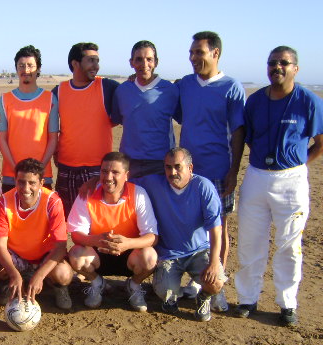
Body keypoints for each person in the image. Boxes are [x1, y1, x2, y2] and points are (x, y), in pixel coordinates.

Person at [235, 46, 323, 326]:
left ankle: (287, 303)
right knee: (250, 241)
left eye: (284, 63)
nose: (277, 67)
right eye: (272, 63)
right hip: (257, 175)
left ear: (295, 68)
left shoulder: (308, 101)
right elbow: (248, 136)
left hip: (292, 180)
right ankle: (248, 298)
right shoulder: (256, 101)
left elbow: (319, 142)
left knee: (289, 244)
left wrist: (298, 164)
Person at [174, 31, 245, 311]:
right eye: (191, 53)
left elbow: (238, 131)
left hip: (218, 169)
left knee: (219, 227)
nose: (193, 58)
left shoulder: (231, 87)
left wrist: (233, 171)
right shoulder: (185, 85)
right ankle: (195, 280)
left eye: (199, 53)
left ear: (215, 54)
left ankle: (217, 285)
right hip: (187, 171)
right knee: (190, 225)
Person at [137, 148, 226, 322]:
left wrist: (214, 262)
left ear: (190, 167)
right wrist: (94, 181)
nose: (172, 172)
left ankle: (204, 297)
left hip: (199, 251)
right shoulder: (153, 183)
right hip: (169, 254)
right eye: (168, 167)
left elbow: (216, 229)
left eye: (178, 167)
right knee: (165, 291)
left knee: (215, 283)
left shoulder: (203, 187)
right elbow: (123, 181)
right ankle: (175, 292)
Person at [67, 153, 158, 311]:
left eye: (115, 172)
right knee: (75, 254)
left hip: (129, 255)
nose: (108, 177)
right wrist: (97, 240)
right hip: (98, 254)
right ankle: (97, 283)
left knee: (150, 256)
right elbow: (75, 234)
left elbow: (152, 237)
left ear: (126, 175)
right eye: (104, 171)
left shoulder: (138, 194)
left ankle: (134, 286)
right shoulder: (87, 194)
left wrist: (127, 243)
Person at [0, 158, 73, 309]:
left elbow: (60, 247)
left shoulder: (52, 202)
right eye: (21, 182)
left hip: (44, 256)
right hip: (17, 256)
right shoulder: (4, 202)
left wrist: (40, 275)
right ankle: (13, 282)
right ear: (15, 181)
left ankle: (58, 288)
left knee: (64, 274)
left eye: (32, 183)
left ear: (41, 183)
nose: (26, 188)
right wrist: (13, 273)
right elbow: (0, 245)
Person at [53, 42, 119, 216]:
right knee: (67, 220)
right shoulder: (58, 92)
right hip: (66, 168)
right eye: (91, 61)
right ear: (75, 63)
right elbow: (49, 128)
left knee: (96, 221)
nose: (96, 66)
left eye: (97, 61)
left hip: (97, 169)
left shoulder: (108, 87)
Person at [111, 41, 178, 178]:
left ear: (156, 62)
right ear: (131, 63)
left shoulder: (171, 90)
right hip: (129, 164)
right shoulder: (122, 90)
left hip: (160, 164)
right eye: (139, 59)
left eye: (149, 59)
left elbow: (183, 118)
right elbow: (119, 119)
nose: (144, 64)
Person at [0, 46, 58, 192]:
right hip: (12, 176)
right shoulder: (4, 100)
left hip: (42, 176)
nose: (26, 70)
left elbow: (53, 139)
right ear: (16, 69)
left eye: (30, 65)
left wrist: (39, 170)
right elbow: (2, 139)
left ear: (38, 69)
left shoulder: (50, 99)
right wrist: (16, 170)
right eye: (21, 66)